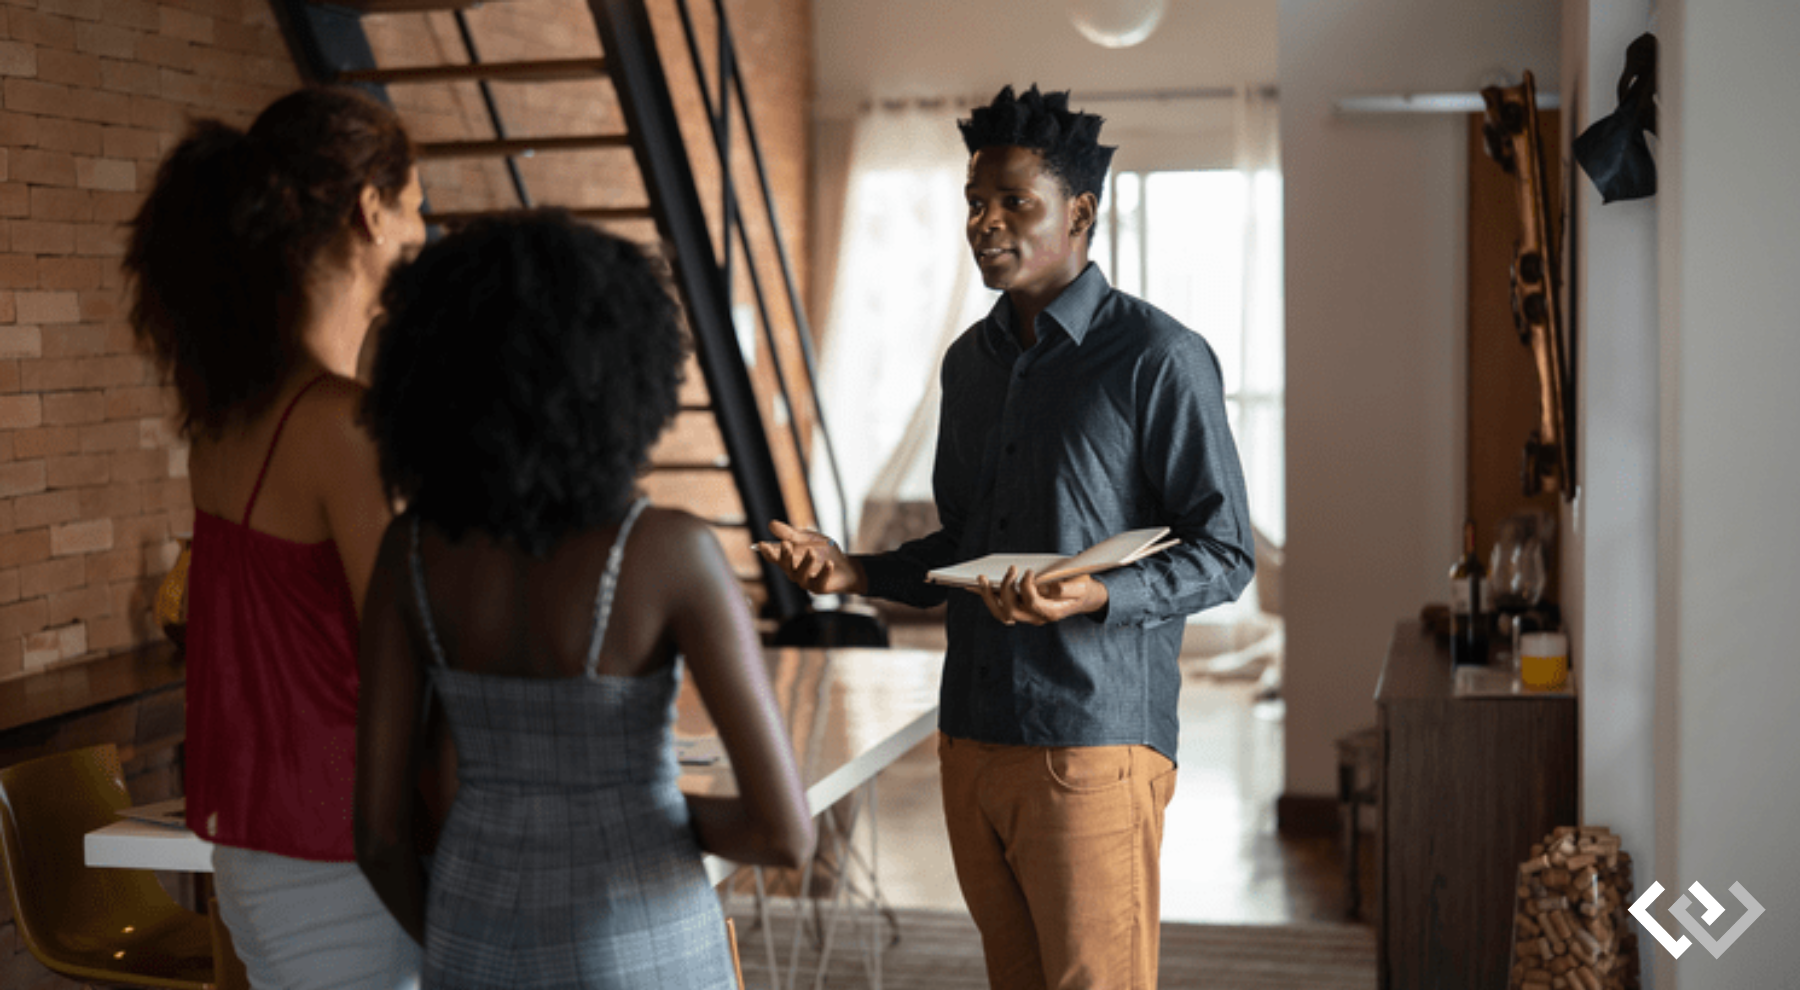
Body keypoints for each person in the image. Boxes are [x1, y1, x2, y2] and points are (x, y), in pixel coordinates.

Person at [756, 84, 1255, 990]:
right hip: (973, 735)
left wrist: (1097, 592)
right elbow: (963, 545)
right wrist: (852, 568)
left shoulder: (1157, 357)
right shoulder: (970, 364)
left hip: (1091, 742)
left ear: (1080, 211)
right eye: (975, 204)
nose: (985, 223)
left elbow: (1226, 554)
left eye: (1013, 203)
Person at [354, 209, 815, 989]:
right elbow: (785, 835)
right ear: (617, 374)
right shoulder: (670, 553)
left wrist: (456, 942)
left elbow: (377, 834)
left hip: (471, 934)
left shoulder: (410, 554)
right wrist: (644, 819)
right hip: (636, 943)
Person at [123, 86, 426, 988]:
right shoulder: (340, 424)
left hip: (262, 856)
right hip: (344, 857)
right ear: (371, 211)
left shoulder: (227, 419)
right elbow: (408, 653)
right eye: (415, 206)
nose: (421, 231)